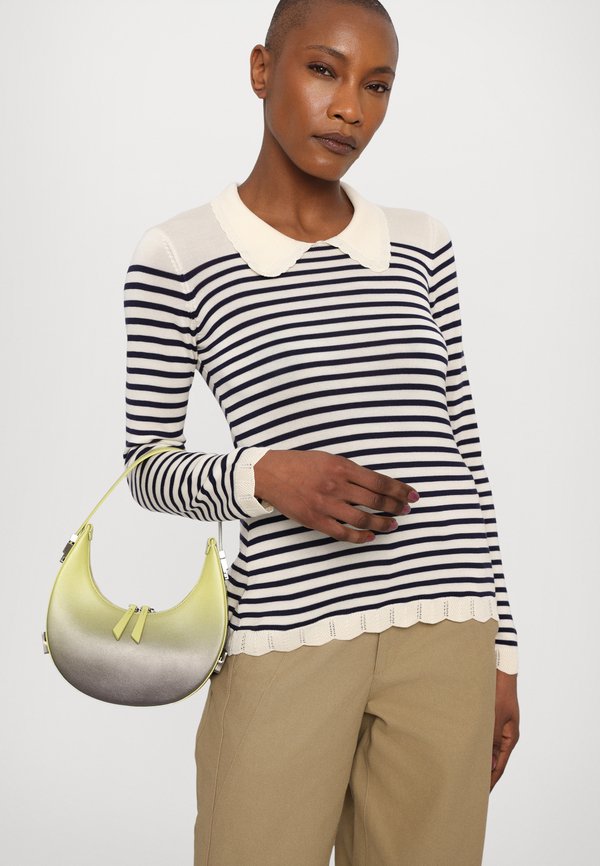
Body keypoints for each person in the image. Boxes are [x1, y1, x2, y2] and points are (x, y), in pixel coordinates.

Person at [122, 0, 520, 863]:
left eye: (377, 86)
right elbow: (145, 466)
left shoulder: (422, 243)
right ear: (262, 69)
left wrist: (504, 650)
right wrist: (263, 476)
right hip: (285, 635)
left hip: (449, 625)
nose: (349, 108)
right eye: (323, 70)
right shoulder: (180, 253)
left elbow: (463, 449)